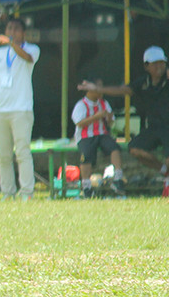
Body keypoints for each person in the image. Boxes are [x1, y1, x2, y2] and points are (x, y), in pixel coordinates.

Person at [78, 46, 169, 196]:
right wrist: (98, 89)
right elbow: (122, 90)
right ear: (146, 66)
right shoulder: (143, 83)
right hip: (153, 128)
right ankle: (165, 172)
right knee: (134, 149)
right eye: (155, 63)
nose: (159, 66)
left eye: (162, 63)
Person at [0, 17, 40, 201]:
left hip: (21, 109)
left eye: (16, 29)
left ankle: (27, 192)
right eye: (9, 28)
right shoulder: (0, 53)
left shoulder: (31, 49)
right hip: (0, 110)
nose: (12, 31)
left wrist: (12, 43)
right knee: (3, 155)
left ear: (23, 33)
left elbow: (27, 58)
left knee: (22, 152)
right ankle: (7, 192)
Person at [71, 76, 126, 197]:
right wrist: (96, 116)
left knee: (114, 147)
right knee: (86, 155)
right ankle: (86, 186)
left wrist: (110, 117)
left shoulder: (104, 103)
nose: (101, 91)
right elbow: (79, 123)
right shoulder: (81, 105)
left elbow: (111, 122)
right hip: (86, 136)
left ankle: (118, 178)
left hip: (102, 134)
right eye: (98, 88)